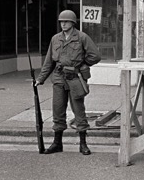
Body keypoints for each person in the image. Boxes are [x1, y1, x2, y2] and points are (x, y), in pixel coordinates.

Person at [35, 10, 101, 155]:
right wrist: (41, 78)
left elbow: (95, 55)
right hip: (59, 77)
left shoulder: (82, 37)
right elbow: (49, 62)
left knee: (79, 110)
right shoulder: (55, 39)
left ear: (72, 22)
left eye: (66, 21)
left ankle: (83, 144)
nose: (63, 24)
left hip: (75, 77)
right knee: (58, 110)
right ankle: (57, 143)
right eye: (61, 21)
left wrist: (83, 64)